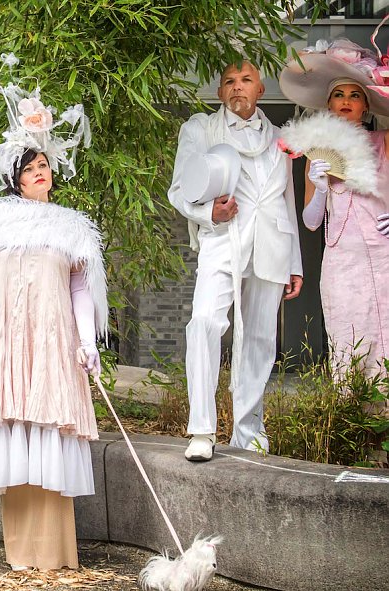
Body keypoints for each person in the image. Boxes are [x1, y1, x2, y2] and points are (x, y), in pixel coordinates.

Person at [0, 61, 105, 571]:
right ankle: (20, 553)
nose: (38, 171)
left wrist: (88, 342)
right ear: (15, 179)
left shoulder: (71, 226)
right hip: (5, 338)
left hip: (51, 338)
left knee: (48, 427)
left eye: (43, 164)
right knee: (13, 425)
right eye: (28, 167)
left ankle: (56, 552)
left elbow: (81, 285)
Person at [168, 61, 304, 461]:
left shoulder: (281, 139)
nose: (237, 87)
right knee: (205, 322)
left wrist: (294, 261)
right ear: (220, 92)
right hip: (223, 240)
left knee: (261, 339)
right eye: (229, 81)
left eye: (246, 80)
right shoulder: (200, 129)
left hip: (272, 244)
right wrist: (209, 212)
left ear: (261, 89)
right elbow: (179, 189)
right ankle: (203, 430)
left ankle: (249, 431)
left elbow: (287, 200)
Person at [279, 38, 389, 385]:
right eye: (339, 95)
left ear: (366, 105)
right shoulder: (317, 150)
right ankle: (350, 418)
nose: (346, 101)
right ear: (328, 104)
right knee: (347, 338)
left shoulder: (383, 142)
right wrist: (321, 186)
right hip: (341, 259)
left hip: (385, 254)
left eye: (355, 95)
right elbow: (312, 222)